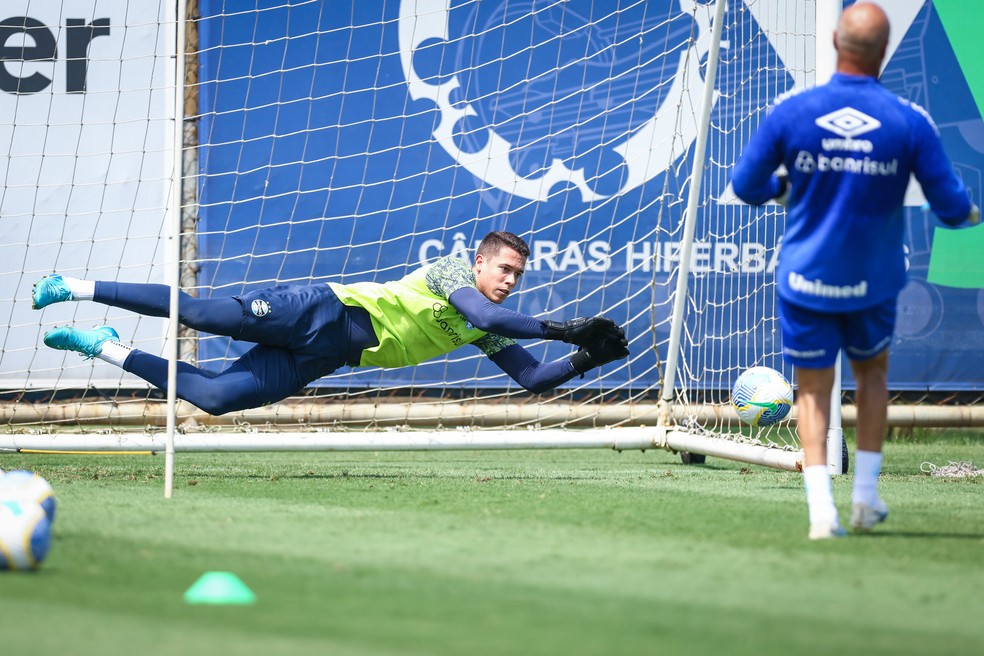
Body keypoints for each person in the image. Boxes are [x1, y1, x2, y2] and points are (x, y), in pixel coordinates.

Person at [731, 2, 978, 539]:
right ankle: (865, 500)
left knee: (812, 391)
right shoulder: (910, 120)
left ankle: (823, 514)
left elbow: (747, 185)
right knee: (872, 378)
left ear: (838, 44)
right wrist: (972, 213)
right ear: (884, 52)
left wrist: (785, 189)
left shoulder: (790, 110)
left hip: (805, 279)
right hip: (874, 281)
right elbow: (954, 209)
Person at [34, 231, 629, 415]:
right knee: (200, 312)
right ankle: (76, 286)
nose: (509, 279)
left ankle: (104, 348)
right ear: (479, 261)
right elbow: (485, 311)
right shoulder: (452, 273)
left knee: (214, 397)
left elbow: (531, 381)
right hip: (320, 310)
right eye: (504, 268)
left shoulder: (493, 326)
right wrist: (563, 327)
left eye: (518, 275)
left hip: (330, 356)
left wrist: (586, 358)